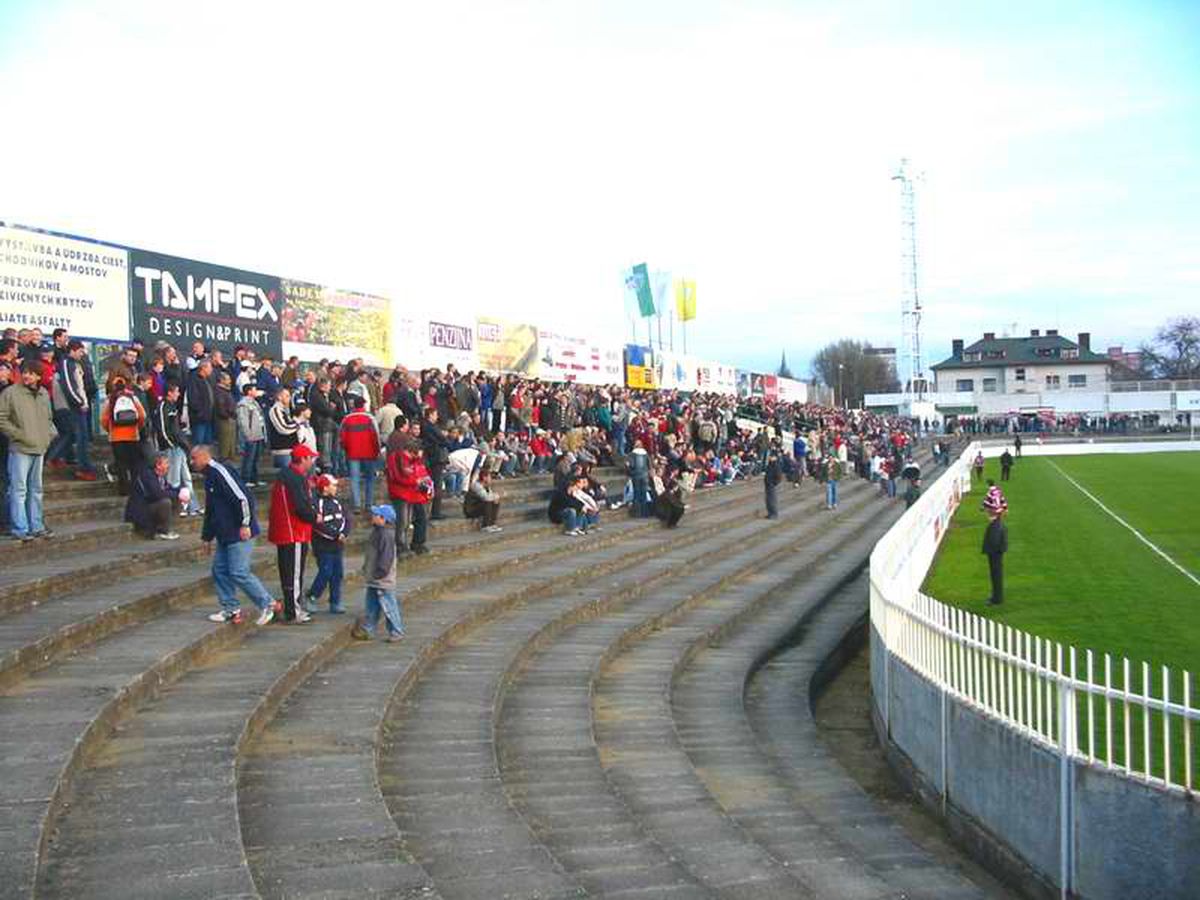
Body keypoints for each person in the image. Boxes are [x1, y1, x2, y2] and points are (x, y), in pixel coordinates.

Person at [193, 444, 276, 625]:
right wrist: (207, 537)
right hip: (225, 534)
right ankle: (231, 608)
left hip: (239, 532)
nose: (192, 463)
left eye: (194, 458)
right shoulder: (209, 477)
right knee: (220, 570)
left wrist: (245, 523)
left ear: (204, 456)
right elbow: (212, 511)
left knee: (239, 571)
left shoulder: (220, 472)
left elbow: (243, 498)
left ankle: (267, 603)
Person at [0, 361, 56, 540]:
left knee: (36, 489)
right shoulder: (11, 393)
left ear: (39, 376)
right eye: (25, 372)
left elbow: (48, 417)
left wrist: (47, 437)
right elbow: (2, 418)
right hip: (20, 448)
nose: (27, 376)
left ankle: (36, 525)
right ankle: (20, 527)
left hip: (39, 447)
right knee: (18, 489)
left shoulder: (43, 394)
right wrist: (17, 434)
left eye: (31, 373)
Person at [267, 444, 318, 623]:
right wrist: (315, 517)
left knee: (288, 573)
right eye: (310, 458)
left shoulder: (286, 475)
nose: (312, 461)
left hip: (285, 531)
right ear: (303, 459)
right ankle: (293, 611)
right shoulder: (295, 478)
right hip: (293, 532)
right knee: (294, 574)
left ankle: (292, 608)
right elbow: (301, 507)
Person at [351, 504, 404, 642]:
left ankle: (396, 630)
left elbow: (386, 559)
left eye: (376, 515)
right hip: (374, 578)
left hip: (382, 579)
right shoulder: (377, 532)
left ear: (383, 519)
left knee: (388, 606)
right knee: (371, 606)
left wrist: (378, 574)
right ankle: (369, 630)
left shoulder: (385, 536)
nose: (372, 517)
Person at [48, 340, 96, 480]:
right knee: (81, 436)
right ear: (74, 350)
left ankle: (55, 457)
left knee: (71, 434)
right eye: (81, 351)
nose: (82, 355)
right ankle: (84, 467)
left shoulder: (73, 363)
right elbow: (69, 385)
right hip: (71, 406)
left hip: (74, 405)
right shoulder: (66, 363)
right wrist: (79, 402)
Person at [153, 382, 200, 517]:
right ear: (169, 392)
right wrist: (170, 444)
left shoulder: (173, 406)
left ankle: (192, 506)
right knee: (174, 479)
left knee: (186, 478)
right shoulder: (163, 406)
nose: (178, 394)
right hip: (171, 448)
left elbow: (175, 428)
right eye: (176, 391)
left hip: (179, 447)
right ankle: (177, 507)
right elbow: (162, 428)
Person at [305, 474, 350, 614]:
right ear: (325, 487)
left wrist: (344, 533)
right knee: (326, 571)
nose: (336, 488)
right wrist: (335, 535)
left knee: (338, 573)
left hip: (337, 545)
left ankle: (335, 601)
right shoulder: (316, 503)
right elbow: (318, 526)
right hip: (323, 546)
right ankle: (312, 596)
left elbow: (346, 519)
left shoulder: (337, 502)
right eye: (333, 485)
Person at [101, 378, 148, 497]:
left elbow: (104, 419)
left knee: (121, 463)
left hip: (116, 438)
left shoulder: (110, 400)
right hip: (132, 436)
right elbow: (142, 415)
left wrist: (110, 430)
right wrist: (137, 426)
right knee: (134, 463)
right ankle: (136, 487)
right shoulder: (132, 397)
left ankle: (123, 489)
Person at [386, 439, 433, 555]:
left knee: (413, 520)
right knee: (403, 521)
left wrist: (424, 482)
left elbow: (421, 472)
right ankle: (400, 546)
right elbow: (399, 477)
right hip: (399, 493)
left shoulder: (414, 460)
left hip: (412, 494)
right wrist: (416, 481)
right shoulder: (396, 458)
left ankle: (415, 544)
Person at [340, 394, 382, 512]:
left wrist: (346, 449)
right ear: (364, 404)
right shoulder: (370, 418)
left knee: (354, 479)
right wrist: (377, 451)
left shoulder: (347, 419)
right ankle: (368, 504)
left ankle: (357, 505)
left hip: (352, 453)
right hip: (369, 453)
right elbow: (376, 436)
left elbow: (342, 437)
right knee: (369, 478)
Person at [125, 453, 181, 540]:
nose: (168, 466)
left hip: (150, 506)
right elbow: (156, 494)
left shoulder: (161, 477)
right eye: (166, 463)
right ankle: (163, 531)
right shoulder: (148, 476)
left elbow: (169, 488)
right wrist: (176, 494)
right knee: (165, 502)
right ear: (158, 465)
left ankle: (164, 527)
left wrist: (181, 492)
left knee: (177, 498)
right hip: (141, 510)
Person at [237, 384, 266, 485]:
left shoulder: (255, 403)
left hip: (258, 434)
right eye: (254, 389)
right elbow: (243, 421)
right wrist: (248, 435)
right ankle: (246, 479)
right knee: (249, 458)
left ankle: (255, 478)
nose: (256, 391)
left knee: (256, 459)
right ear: (249, 391)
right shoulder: (243, 404)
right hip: (251, 436)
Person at [463, 466, 502, 532]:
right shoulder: (477, 486)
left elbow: (490, 496)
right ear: (484, 478)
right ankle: (486, 525)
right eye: (489, 477)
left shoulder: (487, 487)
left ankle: (492, 524)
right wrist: (497, 496)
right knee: (488, 502)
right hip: (471, 509)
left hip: (479, 506)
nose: (491, 479)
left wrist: (496, 497)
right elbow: (486, 497)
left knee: (495, 502)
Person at [983, 510, 1008, 606]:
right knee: (996, 576)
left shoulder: (995, 525)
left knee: (996, 577)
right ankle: (996, 596)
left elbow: (994, 541)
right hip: (996, 554)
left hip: (995, 554)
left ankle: (997, 599)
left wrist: (990, 550)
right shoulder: (997, 524)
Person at [214, 371, 238, 461]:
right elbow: (220, 407)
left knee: (231, 442)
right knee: (225, 443)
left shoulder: (227, 391)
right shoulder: (219, 391)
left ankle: (231, 458)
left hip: (231, 418)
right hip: (225, 420)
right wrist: (228, 416)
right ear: (221, 380)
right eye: (228, 379)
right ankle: (224, 461)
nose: (230, 381)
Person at [763, 448, 781, 519]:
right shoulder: (770, 464)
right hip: (768, 484)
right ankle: (770, 512)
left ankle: (774, 513)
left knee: (772, 499)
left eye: (771, 456)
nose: (770, 457)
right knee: (768, 499)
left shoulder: (776, 465)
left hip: (771, 484)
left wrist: (773, 483)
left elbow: (779, 476)